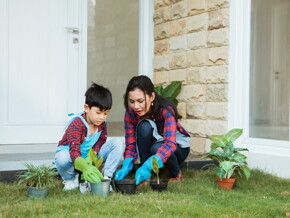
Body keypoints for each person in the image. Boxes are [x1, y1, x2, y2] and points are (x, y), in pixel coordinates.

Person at [114, 75, 190, 185]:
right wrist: (127, 164)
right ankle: (145, 177)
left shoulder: (166, 110)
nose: (136, 106)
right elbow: (131, 144)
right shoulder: (131, 113)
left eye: (140, 101)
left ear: (152, 96)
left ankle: (176, 172)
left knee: (156, 147)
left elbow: (170, 144)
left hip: (177, 148)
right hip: (155, 148)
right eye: (132, 101)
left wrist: (148, 166)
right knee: (144, 126)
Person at [55, 83, 123, 191]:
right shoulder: (76, 124)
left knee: (117, 143)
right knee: (62, 158)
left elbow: (101, 140)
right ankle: (70, 179)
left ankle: (106, 178)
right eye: (98, 112)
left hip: (89, 155)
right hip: (73, 155)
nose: (102, 117)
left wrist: (93, 153)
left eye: (106, 113)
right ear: (87, 108)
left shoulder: (101, 123)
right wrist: (84, 166)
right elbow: (74, 150)